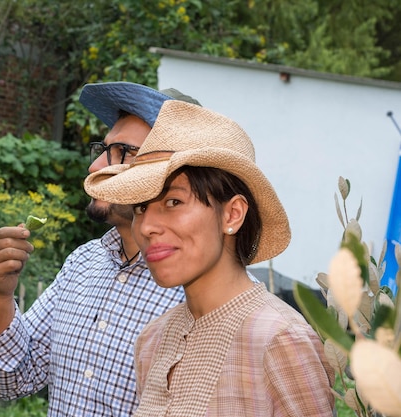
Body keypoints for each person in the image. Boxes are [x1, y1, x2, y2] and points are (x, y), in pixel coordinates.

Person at [83, 99, 335, 417]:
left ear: (232, 214)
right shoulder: (153, 339)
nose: (147, 227)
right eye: (140, 208)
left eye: (173, 201)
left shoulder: (280, 339)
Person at [0, 82, 201, 416]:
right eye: (103, 149)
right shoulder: (84, 263)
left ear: (175, 175)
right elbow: (12, 380)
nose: (95, 167)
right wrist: (1, 295)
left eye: (122, 153)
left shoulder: (205, 293)